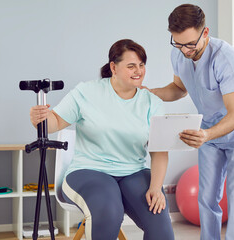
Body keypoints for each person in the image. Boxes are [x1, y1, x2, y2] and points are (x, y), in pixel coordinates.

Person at [29, 39, 175, 240]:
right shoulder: (87, 92)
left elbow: (159, 151)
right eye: (131, 66)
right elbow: (54, 122)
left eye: (141, 65)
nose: (138, 71)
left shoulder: (152, 102)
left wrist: (156, 187)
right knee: (108, 212)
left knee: (160, 223)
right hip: (89, 170)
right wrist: (41, 119)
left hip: (133, 172)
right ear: (113, 67)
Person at [148, 4, 234, 240]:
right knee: (206, 196)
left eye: (190, 43)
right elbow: (179, 89)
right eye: (178, 43)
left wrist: (207, 135)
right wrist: (149, 93)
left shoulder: (226, 58)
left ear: (205, 33)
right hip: (208, 132)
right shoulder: (179, 53)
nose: (185, 50)